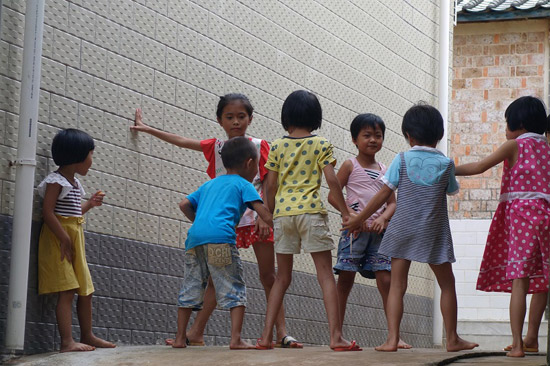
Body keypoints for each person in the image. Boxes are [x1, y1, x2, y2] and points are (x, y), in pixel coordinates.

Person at [132, 94, 299, 347]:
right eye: (229, 117)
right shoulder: (216, 147)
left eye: (241, 117)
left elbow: (268, 182)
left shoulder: (259, 145)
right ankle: (196, 332)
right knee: (214, 277)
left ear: (250, 119)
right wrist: (147, 129)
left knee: (268, 275)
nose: (235, 122)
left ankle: (280, 332)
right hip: (226, 226)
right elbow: (182, 142)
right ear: (220, 120)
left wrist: (266, 217)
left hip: (255, 218)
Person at [343, 103, 478, 353]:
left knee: (397, 285)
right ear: (439, 136)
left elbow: (384, 193)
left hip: (403, 227)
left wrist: (359, 216)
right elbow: (450, 190)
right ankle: (452, 338)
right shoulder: (446, 163)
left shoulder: (402, 159)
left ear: (408, 136)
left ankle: (392, 339)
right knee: (447, 284)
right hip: (433, 230)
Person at [256, 90, 360, 351]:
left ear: (286, 117)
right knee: (325, 275)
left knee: (282, 277)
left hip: (283, 215)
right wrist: (346, 212)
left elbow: (271, 183)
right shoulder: (321, 144)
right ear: (316, 117)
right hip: (311, 212)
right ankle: (336, 337)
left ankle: (266, 336)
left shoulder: (278, 146)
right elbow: (332, 179)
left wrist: (268, 213)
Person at [455, 96, 550, 358]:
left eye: (507, 123)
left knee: (520, 279)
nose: (505, 129)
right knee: (542, 280)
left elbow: (480, 166)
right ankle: (532, 339)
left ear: (518, 124)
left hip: (522, 217)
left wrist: (449, 170)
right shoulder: (547, 148)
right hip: (546, 216)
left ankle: (518, 345)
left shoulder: (515, 145)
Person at [174, 136, 273, 349]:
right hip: (222, 241)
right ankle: (236, 339)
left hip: (194, 241)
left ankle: (180, 338)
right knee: (233, 287)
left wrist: (201, 223)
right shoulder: (244, 184)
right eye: (257, 164)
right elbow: (261, 211)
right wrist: (276, 222)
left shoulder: (209, 184)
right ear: (249, 163)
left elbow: (184, 204)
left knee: (191, 286)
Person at [327, 113, 411, 350]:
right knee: (345, 281)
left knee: (386, 280)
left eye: (378, 135)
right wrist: (349, 216)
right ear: (354, 139)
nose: (373, 140)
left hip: (378, 235)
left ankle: (394, 335)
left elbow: (392, 202)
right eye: (367, 135)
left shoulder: (386, 169)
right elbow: (333, 195)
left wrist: (384, 218)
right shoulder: (349, 165)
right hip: (353, 235)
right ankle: (336, 333)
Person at [37, 129, 115, 352]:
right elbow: (48, 212)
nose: (92, 160)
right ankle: (66, 342)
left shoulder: (75, 182)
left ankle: (87, 335)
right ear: (77, 155)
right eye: (91, 154)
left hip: (73, 237)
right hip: (59, 240)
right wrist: (64, 238)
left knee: (85, 289)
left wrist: (90, 204)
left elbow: (74, 212)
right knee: (67, 290)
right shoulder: (56, 181)